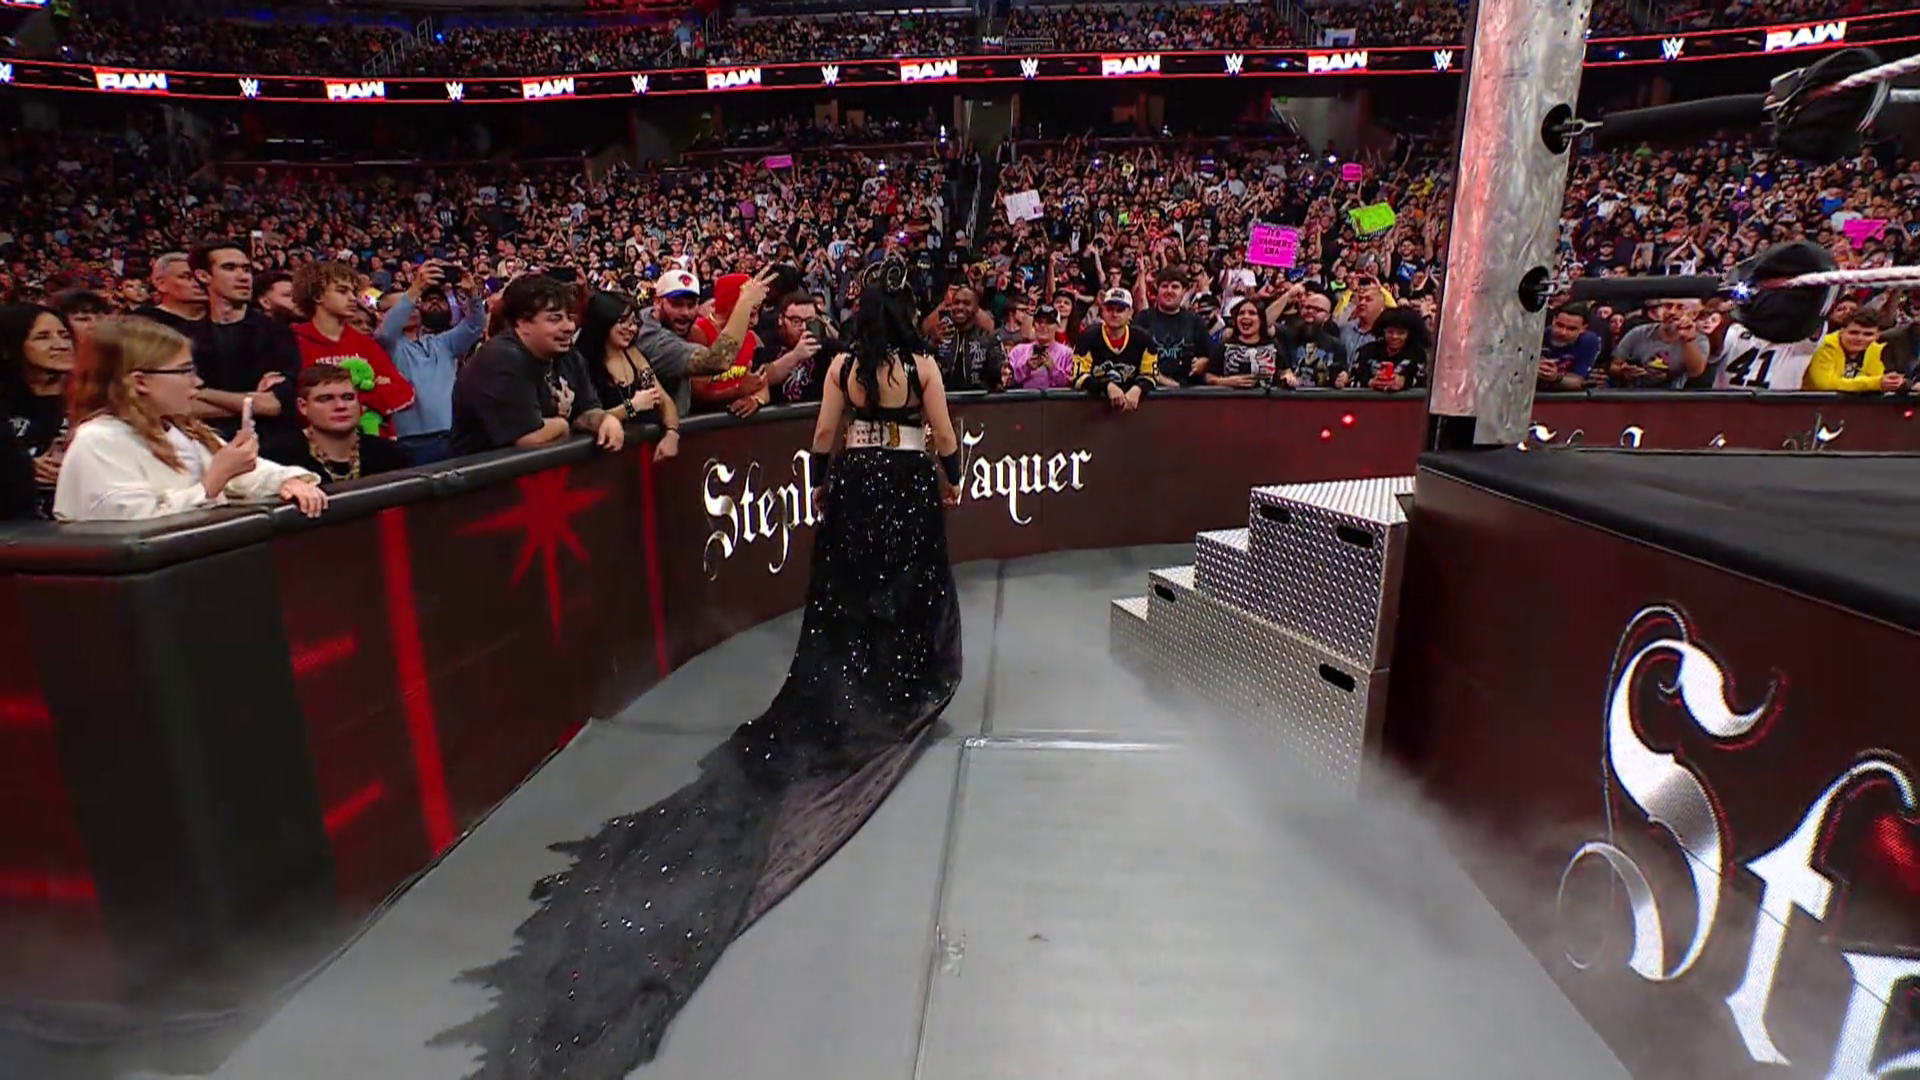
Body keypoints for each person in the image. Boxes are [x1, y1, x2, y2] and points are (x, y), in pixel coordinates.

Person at [438, 256, 965, 1079]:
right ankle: (898, 693)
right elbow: (945, 436)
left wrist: (825, 490)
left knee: (849, 598)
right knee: (907, 591)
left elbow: (821, 439)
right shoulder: (922, 365)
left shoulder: (840, 368)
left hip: (857, 486)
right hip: (904, 482)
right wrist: (950, 480)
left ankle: (852, 690)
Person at [53, 317, 328, 522]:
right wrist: (215, 479)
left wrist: (287, 482)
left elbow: (247, 476)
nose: (197, 382)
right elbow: (134, 527)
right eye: (184, 371)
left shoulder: (178, 429)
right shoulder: (99, 440)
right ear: (140, 381)